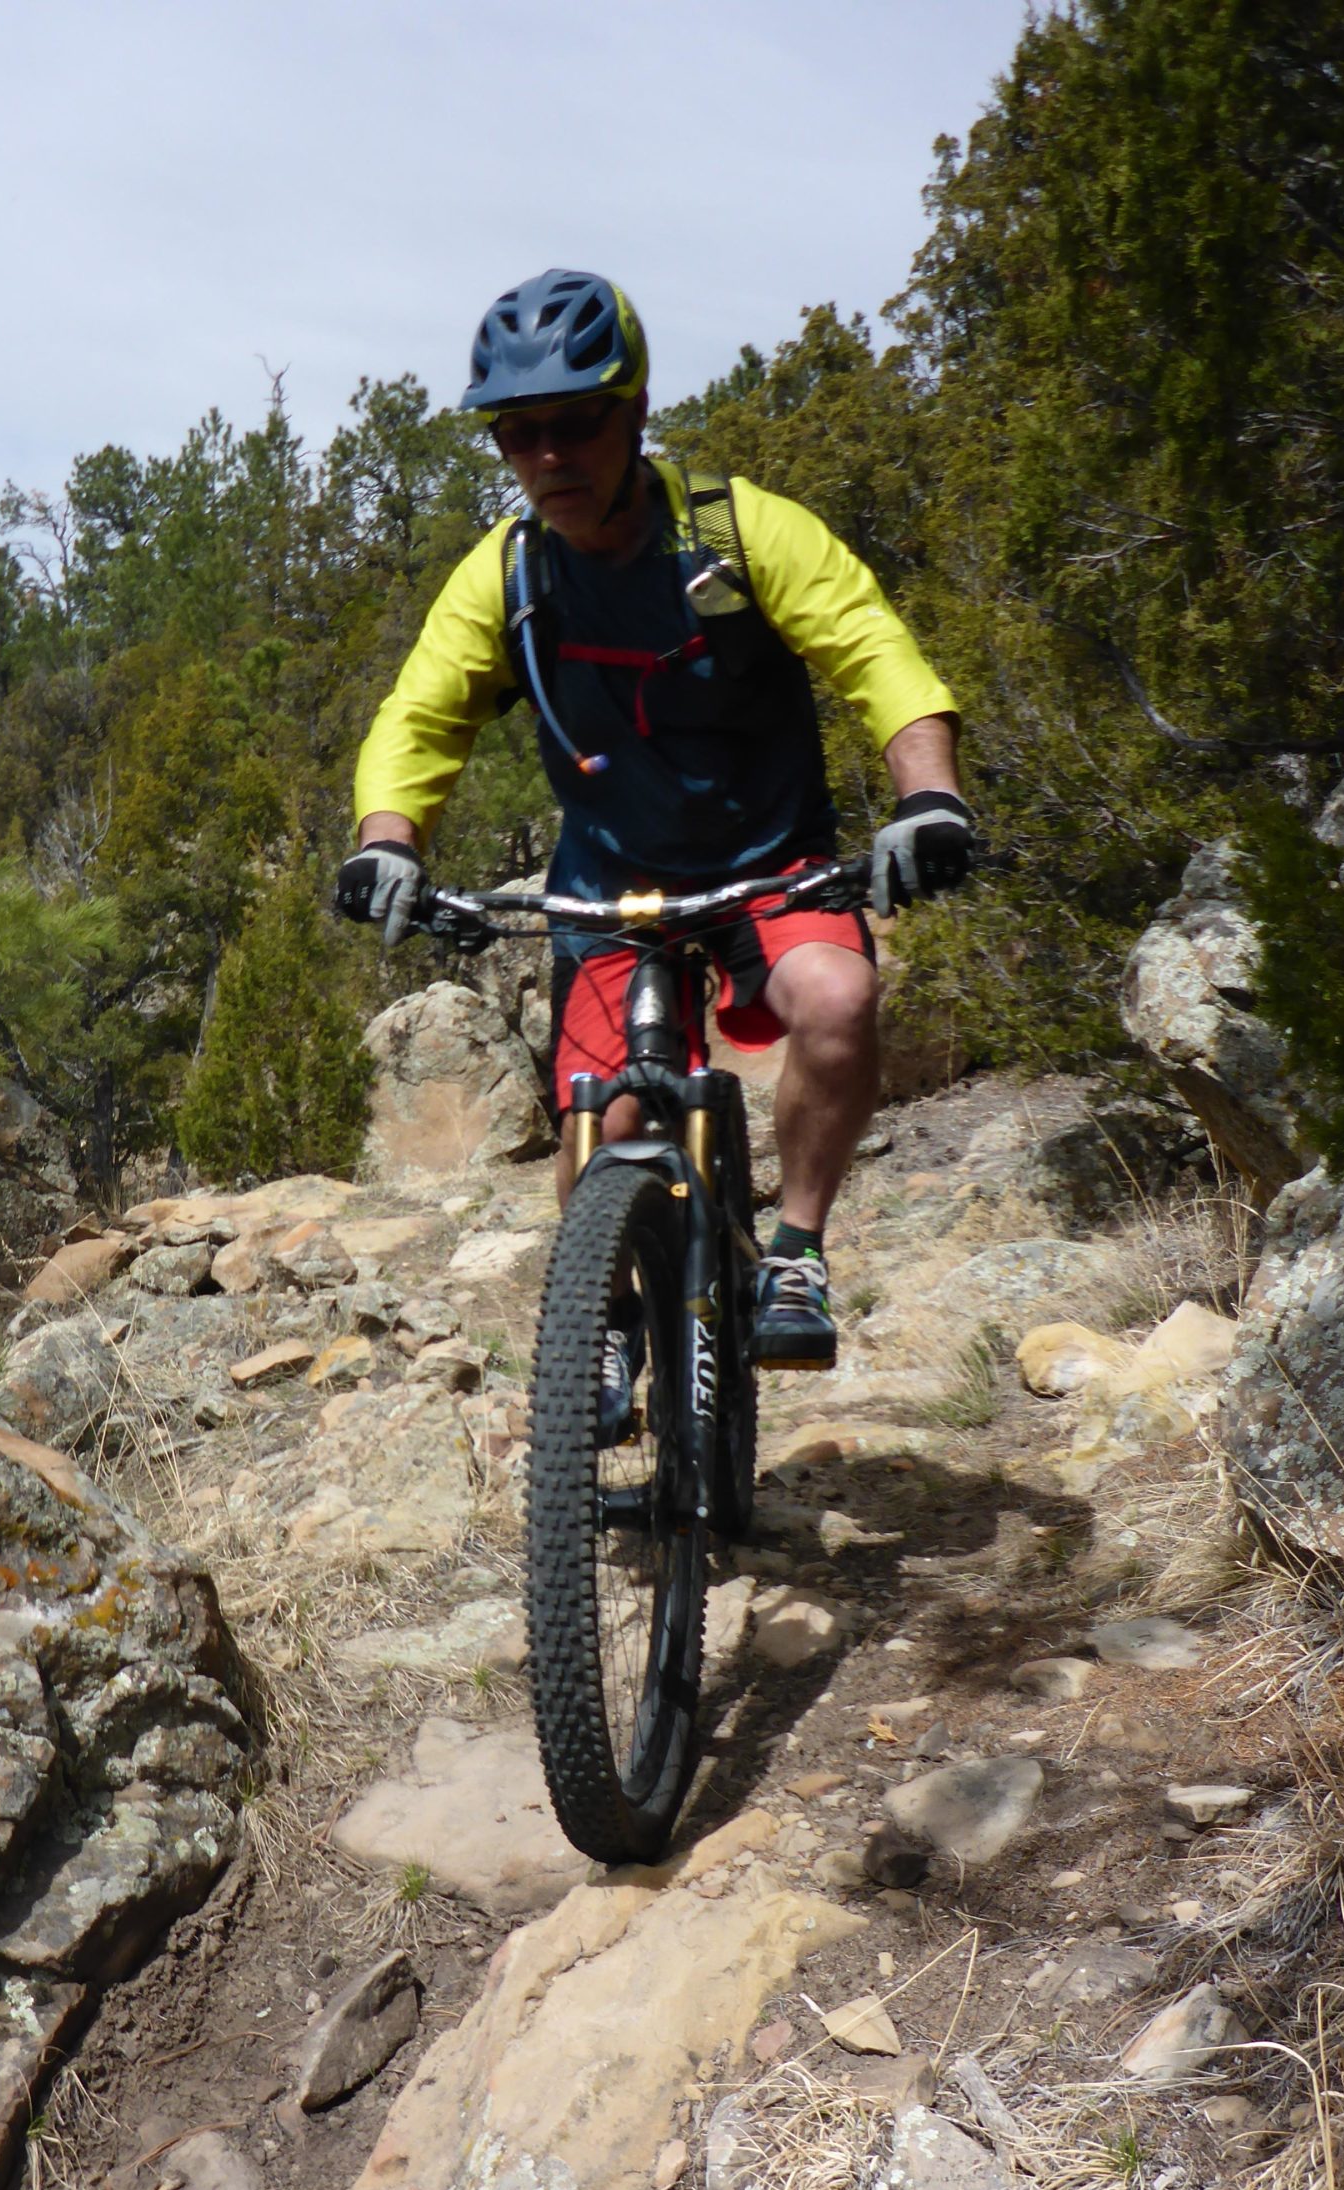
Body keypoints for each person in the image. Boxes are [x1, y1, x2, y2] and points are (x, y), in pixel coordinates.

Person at [339, 269, 971, 1431]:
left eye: (575, 421)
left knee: (835, 1001)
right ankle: (611, 1322)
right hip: (611, 887)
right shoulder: (512, 575)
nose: (547, 455)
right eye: (518, 433)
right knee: (602, 1117)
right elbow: (420, 715)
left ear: (633, 411)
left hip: (770, 861)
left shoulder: (736, 532)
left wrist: (926, 800)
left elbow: (875, 651)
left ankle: (795, 1249)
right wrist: (388, 842)